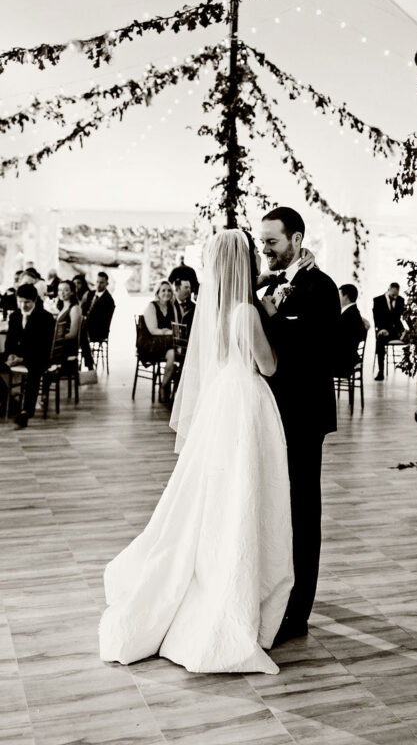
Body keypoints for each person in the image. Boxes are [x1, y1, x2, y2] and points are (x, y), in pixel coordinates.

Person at [99, 229, 293, 673]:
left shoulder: (219, 308)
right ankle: (240, 583)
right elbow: (269, 365)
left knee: (215, 492)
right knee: (245, 490)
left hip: (221, 401)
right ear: (244, 262)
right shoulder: (246, 311)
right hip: (246, 402)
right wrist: (270, 313)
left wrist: (261, 302)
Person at [259, 206, 340, 645]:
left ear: (296, 239)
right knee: (280, 508)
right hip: (273, 415)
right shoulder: (273, 284)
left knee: (303, 511)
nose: (265, 248)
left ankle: (299, 611)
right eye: (262, 241)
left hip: (303, 416)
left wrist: (270, 316)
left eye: (272, 241)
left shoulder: (320, 288)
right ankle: (281, 589)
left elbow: (311, 353)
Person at [0, 283, 55, 428]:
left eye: (27, 302)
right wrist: (10, 355)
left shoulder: (46, 318)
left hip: (39, 357)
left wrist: (22, 359)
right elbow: (10, 341)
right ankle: (8, 400)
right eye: (20, 301)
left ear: (35, 301)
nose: (23, 305)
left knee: (34, 372)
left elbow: (44, 348)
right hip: (18, 355)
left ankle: (26, 412)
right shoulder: (15, 316)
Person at [139, 280, 176, 402]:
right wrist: (168, 331)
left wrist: (168, 331)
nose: (167, 293)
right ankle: (167, 387)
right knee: (176, 348)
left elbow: (176, 327)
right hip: (150, 343)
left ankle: (164, 386)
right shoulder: (152, 306)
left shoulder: (172, 307)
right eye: (163, 290)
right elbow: (153, 330)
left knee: (174, 354)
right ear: (158, 293)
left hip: (167, 343)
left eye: (169, 290)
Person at [80, 272, 116, 370]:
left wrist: (86, 321)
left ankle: (87, 365)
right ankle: (86, 364)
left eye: (102, 283)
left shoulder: (109, 300)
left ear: (107, 284)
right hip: (86, 326)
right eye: (97, 282)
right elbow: (83, 310)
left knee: (79, 335)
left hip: (99, 330)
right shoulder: (90, 294)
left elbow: (103, 321)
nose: (98, 285)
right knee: (78, 333)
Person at [372, 282, 406, 381]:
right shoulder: (378, 300)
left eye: (396, 294)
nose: (395, 296)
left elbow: (404, 316)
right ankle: (380, 371)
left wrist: (411, 329)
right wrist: (381, 329)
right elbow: (376, 318)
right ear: (389, 289)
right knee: (381, 340)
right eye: (393, 294)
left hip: (397, 331)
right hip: (383, 330)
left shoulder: (401, 300)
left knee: (414, 337)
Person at [334, 284, 368, 377]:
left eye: (338, 295)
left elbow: (340, 339)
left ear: (345, 296)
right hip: (346, 357)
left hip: (343, 362)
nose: (336, 298)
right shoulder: (352, 312)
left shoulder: (350, 315)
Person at [55, 279, 82, 353]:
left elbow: (73, 334)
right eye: (60, 290)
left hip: (67, 346)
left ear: (72, 292)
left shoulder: (74, 308)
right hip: (60, 343)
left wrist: (55, 339)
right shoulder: (63, 307)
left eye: (66, 290)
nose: (62, 293)